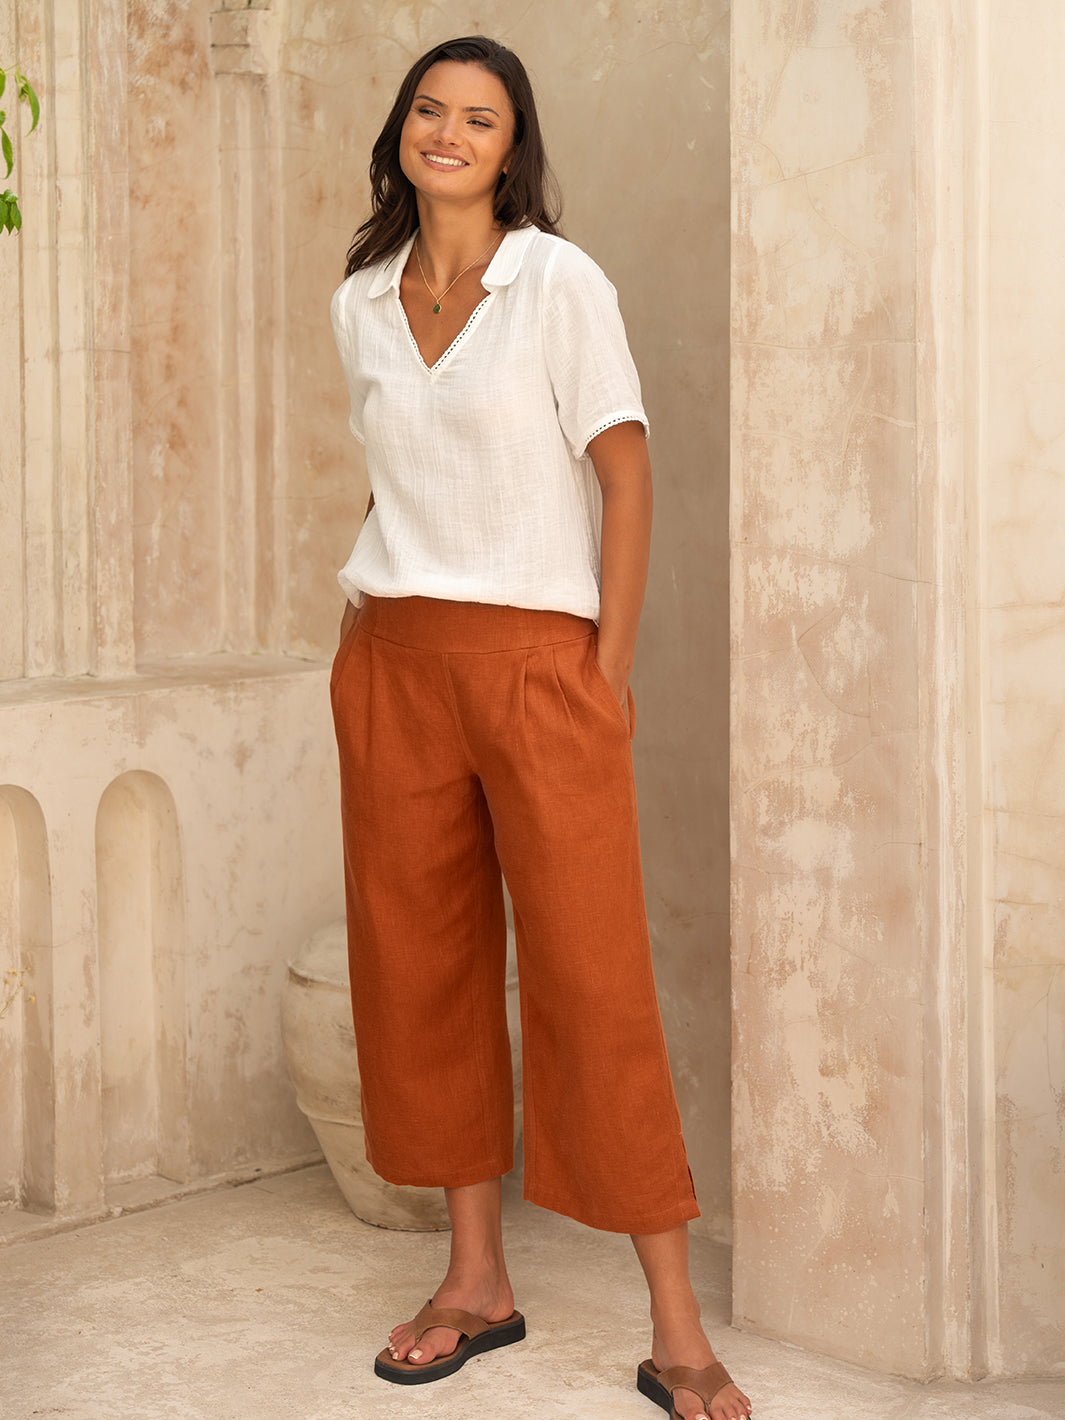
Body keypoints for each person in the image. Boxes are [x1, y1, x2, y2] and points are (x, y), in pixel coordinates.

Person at [328, 35, 752, 1420]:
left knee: (592, 978)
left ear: (514, 149)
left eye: (480, 119)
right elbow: (402, 478)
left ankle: (675, 1329)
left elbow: (624, 482)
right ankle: (473, 1282)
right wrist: (363, 637)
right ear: (401, 130)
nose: (448, 133)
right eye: (429, 111)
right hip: (394, 660)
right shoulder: (360, 302)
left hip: (538, 667)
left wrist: (603, 672)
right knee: (422, 967)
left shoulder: (557, 285)